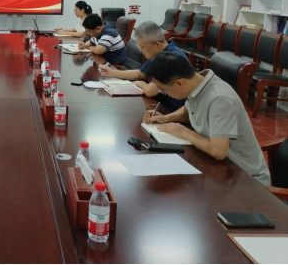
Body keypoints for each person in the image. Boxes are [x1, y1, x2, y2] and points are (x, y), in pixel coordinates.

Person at [143, 52, 271, 186]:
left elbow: (218, 151)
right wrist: (166, 118)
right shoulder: (197, 83)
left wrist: (183, 132)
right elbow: (190, 109)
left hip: (246, 179)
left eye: (163, 89)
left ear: (179, 83)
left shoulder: (219, 99)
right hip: (218, 169)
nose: (165, 94)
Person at [99, 21, 188, 112]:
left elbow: (150, 91)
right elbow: (140, 73)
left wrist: (142, 84)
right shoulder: (159, 52)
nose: (140, 50)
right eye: (139, 46)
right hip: (159, 103)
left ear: (157, 44)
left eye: (142, 47)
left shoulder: (170, 58)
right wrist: (113, 73)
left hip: (172, 109)